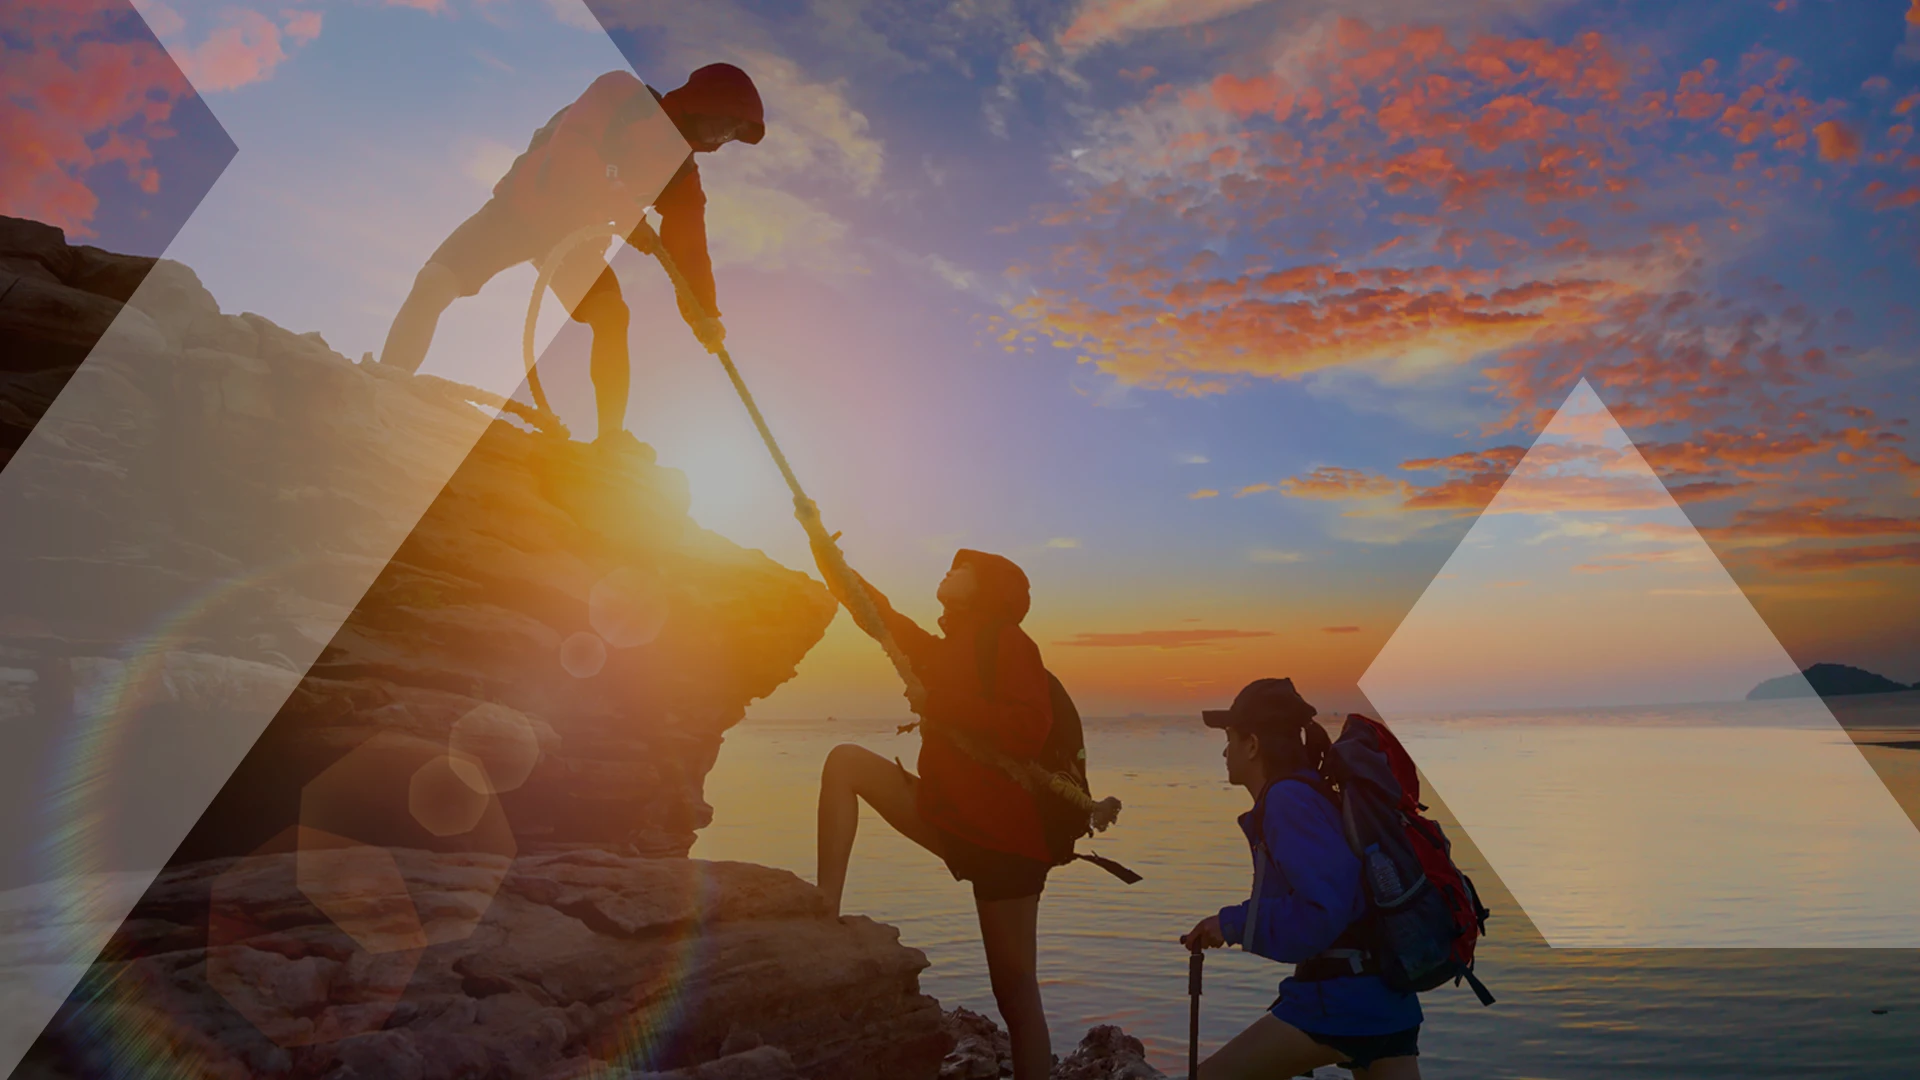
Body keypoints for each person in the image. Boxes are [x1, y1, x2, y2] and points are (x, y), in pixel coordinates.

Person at [796, 502, 1055, 1080]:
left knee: (1016, 998)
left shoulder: (1009, 642)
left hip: (1005, 844)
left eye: (962, 567)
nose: (949, 569)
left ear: (985, 589)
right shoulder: (938, 651)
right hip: (949, 818)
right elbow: (873, 611)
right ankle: (824, 910)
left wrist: (940, 704)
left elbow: (1028, 729)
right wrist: (819, 542)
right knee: (845, 763)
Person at [376, 63, 764, 447]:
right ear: (705, 102)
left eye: (732, 134)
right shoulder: (622, 94)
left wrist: (705, 312)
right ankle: (382, 383)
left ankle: (611, 441)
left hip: (575, 244)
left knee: (613, 316)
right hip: (516, 214)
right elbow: (574, 145)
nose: (723, 138)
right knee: (433, 283)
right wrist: (625, 210)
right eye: (726, 123)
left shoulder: (681, 176)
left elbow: (690, 247)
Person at [1180, 678, 1423, 1080]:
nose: (1225, 751)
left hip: (1341, 1001)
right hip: (1388, 997)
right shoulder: (1314, 793)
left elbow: (1322, 909)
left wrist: (1230, 924)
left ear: (1253, 745)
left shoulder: (1287, 801)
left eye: (1230, 738)